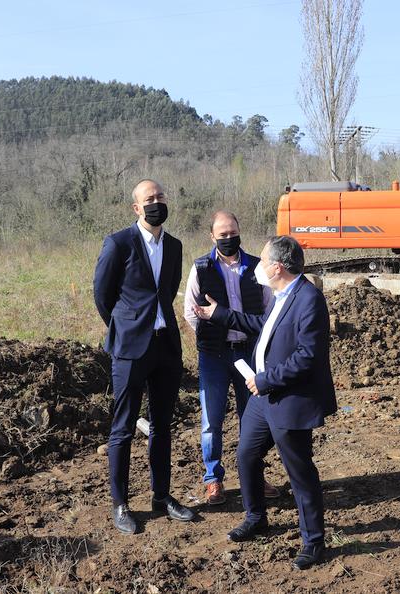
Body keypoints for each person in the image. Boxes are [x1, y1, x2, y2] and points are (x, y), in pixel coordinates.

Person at [193, 235, 336, 570]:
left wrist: (264, 380)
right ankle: (257, 517)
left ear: (276, 267)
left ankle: (314, 542)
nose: (256, 266)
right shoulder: (280, 294)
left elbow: (307, 356)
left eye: (262, 260)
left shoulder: (309, 300)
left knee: (300, 472)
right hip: (263, 398)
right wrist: (221, 315)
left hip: (288, 399)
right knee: (246, 454)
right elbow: (264, 327)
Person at [93, 179, 196, 534]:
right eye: (149, 199)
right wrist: (124, 327)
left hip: (165, 346)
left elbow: (166, 292)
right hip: (130, 349)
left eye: (160, 197)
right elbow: (102, 295)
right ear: (136, 208)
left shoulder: (176, 246)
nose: (156, 203)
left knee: (162, 426)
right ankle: (120, 504)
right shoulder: (118, 243)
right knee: (122, 428)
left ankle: (161, 496)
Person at [183, 211, 279, 505]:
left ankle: (254, 475)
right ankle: (213, 479)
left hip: (249, 353)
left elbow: (269, 308)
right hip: (214, 355)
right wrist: (212, 335)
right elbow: (190, 312)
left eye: (232, 232)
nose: (228, 238)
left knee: (252, 419)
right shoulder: (201, 267)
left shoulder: (256, 266)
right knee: (211, 420)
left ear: (240, 231)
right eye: (222, 234)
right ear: (212, 236)